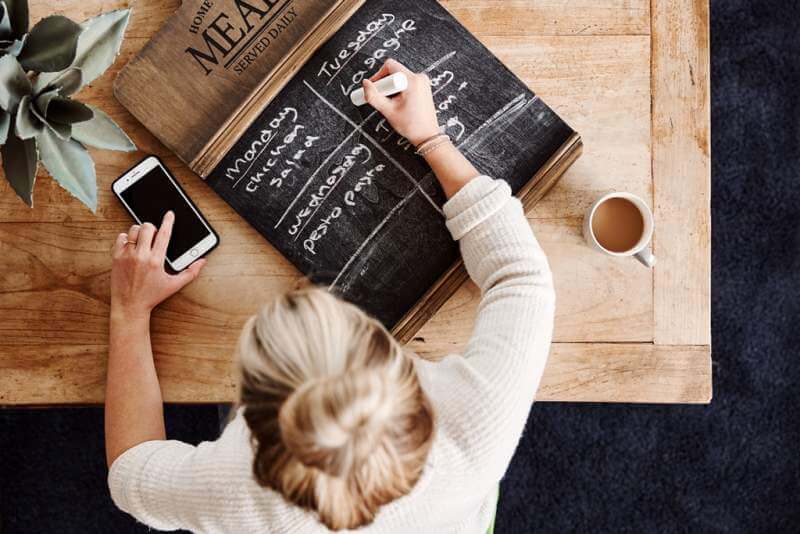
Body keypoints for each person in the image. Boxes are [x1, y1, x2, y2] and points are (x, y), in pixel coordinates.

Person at [106, 59, 555, 533]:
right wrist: (431, 138)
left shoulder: (242, 496)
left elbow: (130, 469)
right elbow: (522, 277)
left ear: (251, 423)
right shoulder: (477, 423)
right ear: (399, 369)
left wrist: (129, 311)